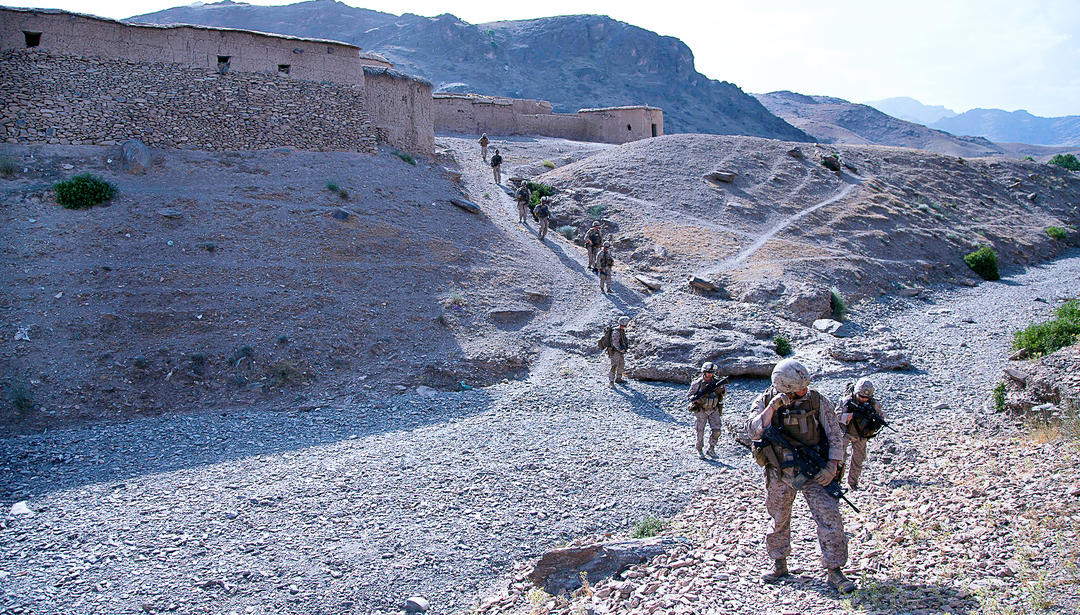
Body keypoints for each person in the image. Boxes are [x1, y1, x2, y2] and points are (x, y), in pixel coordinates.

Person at [747, 358, 855, 594]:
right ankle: (779, 563)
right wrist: (773, 407)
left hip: (814, 471)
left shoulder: (816, 400)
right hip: (780, 471)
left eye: (804, 386)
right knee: (778, 518)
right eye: (799, 389)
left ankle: (834, 570)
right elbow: (754, 430)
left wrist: (832, 467)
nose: (804, 391)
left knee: (830, 517)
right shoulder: (765, 400)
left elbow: (835, 434)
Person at [836, 377, 887, 490]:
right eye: (861, 397)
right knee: (839, 459)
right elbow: (835, 416)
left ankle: (852, 484)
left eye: (866, 397)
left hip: (862, 435)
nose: (864, 399)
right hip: (847, 433)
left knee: (858, 459)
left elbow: (881, 417)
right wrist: (850, 416)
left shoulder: (874, 404)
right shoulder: (847, 401)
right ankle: (836, 483)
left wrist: (874, 424)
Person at [687, 362, 726, 459]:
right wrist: (696, 398)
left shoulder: (717, 382)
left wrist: (720, 390)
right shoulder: (697, 383)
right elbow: (689, 395)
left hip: (714, 408)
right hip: (701, 410)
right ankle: (699, 449)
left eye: (711, 372)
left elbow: (724, 394)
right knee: (700, 431)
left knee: (717, 430)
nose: (710, 374)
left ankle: (711, 449)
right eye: (708, 372)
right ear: (704, 372)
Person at [607, 316, 629, 387]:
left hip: (619, 351)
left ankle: (618, 378)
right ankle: (611, 381)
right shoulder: (616, 331)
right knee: (614, 366)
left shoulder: (621, 330)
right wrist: (620, 349)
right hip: (615, 351)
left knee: (621, 364)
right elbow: (615, 342)